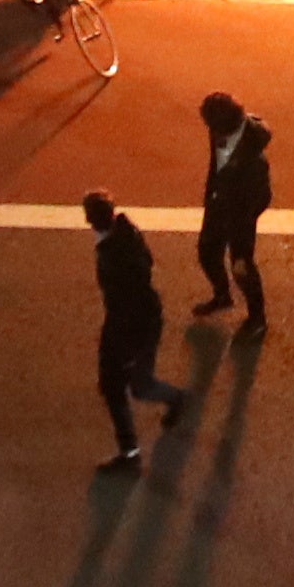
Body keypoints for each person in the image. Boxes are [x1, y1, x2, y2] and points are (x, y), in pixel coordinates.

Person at [89, 189, 190, 472]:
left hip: (129, 328)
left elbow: (123, 305)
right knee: (134, 385)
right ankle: (175, 400)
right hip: (141, 321)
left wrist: (125, 350)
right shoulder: (127, 234)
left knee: (123, 387)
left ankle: (130, 453)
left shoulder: (112, 254)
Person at [194, 90, 275, 330]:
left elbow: (257, 197)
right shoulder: (221, 128)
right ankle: (222, 295)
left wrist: (238, 222)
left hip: (242, 210)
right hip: (221, 202)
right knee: (207, 252)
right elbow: (216, 167)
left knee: (241, 264)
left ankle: (257, 317)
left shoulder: (253, 157)